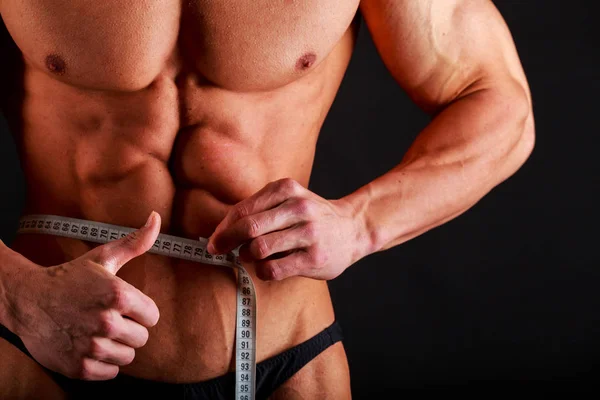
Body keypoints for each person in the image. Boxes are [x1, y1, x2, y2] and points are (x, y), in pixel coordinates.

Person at [0, 0, 534, 398]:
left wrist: (360, 224)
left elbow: (499, 102)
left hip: (288, 361)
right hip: (47, 349)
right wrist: (17, 295)